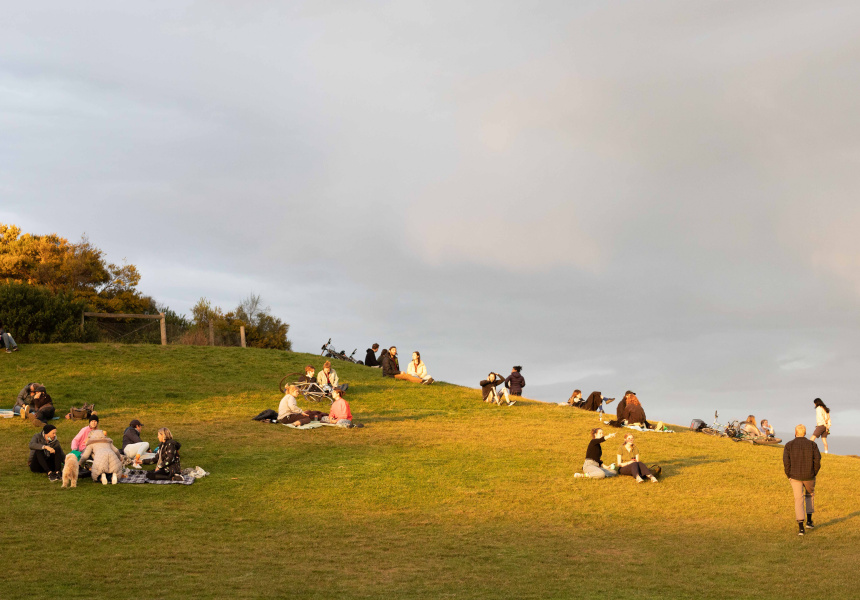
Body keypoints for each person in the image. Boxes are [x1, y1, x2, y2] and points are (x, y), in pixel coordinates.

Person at [783, 424, 821, 536]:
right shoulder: (812, 445)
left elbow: (786, 462)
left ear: (795, 432)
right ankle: (809, 521)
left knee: (798, 499)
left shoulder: (789, 445)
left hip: (794, 476)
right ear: (805, 433)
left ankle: (801, 528)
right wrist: (814, 472)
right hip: (809, 475)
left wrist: (789, 474)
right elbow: (817, 460)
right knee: (809, 496)